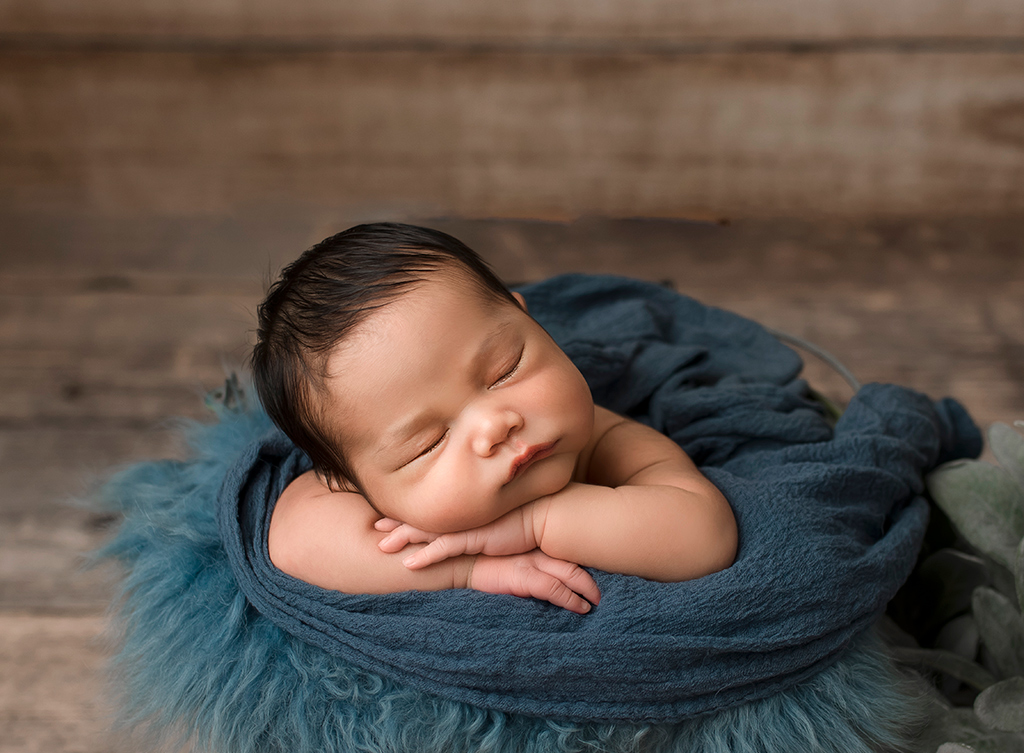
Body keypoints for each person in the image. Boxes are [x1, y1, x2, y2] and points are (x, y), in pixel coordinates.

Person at [251, 223, 737, 614]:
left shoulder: (604, 436)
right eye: (428, 443)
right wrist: (467, 570)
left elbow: (704, 536)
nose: (495, 424)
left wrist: (535, 524)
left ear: (532, 322)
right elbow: (294, 543)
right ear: (349, 481)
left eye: (505, 370)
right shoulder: (350, 487)